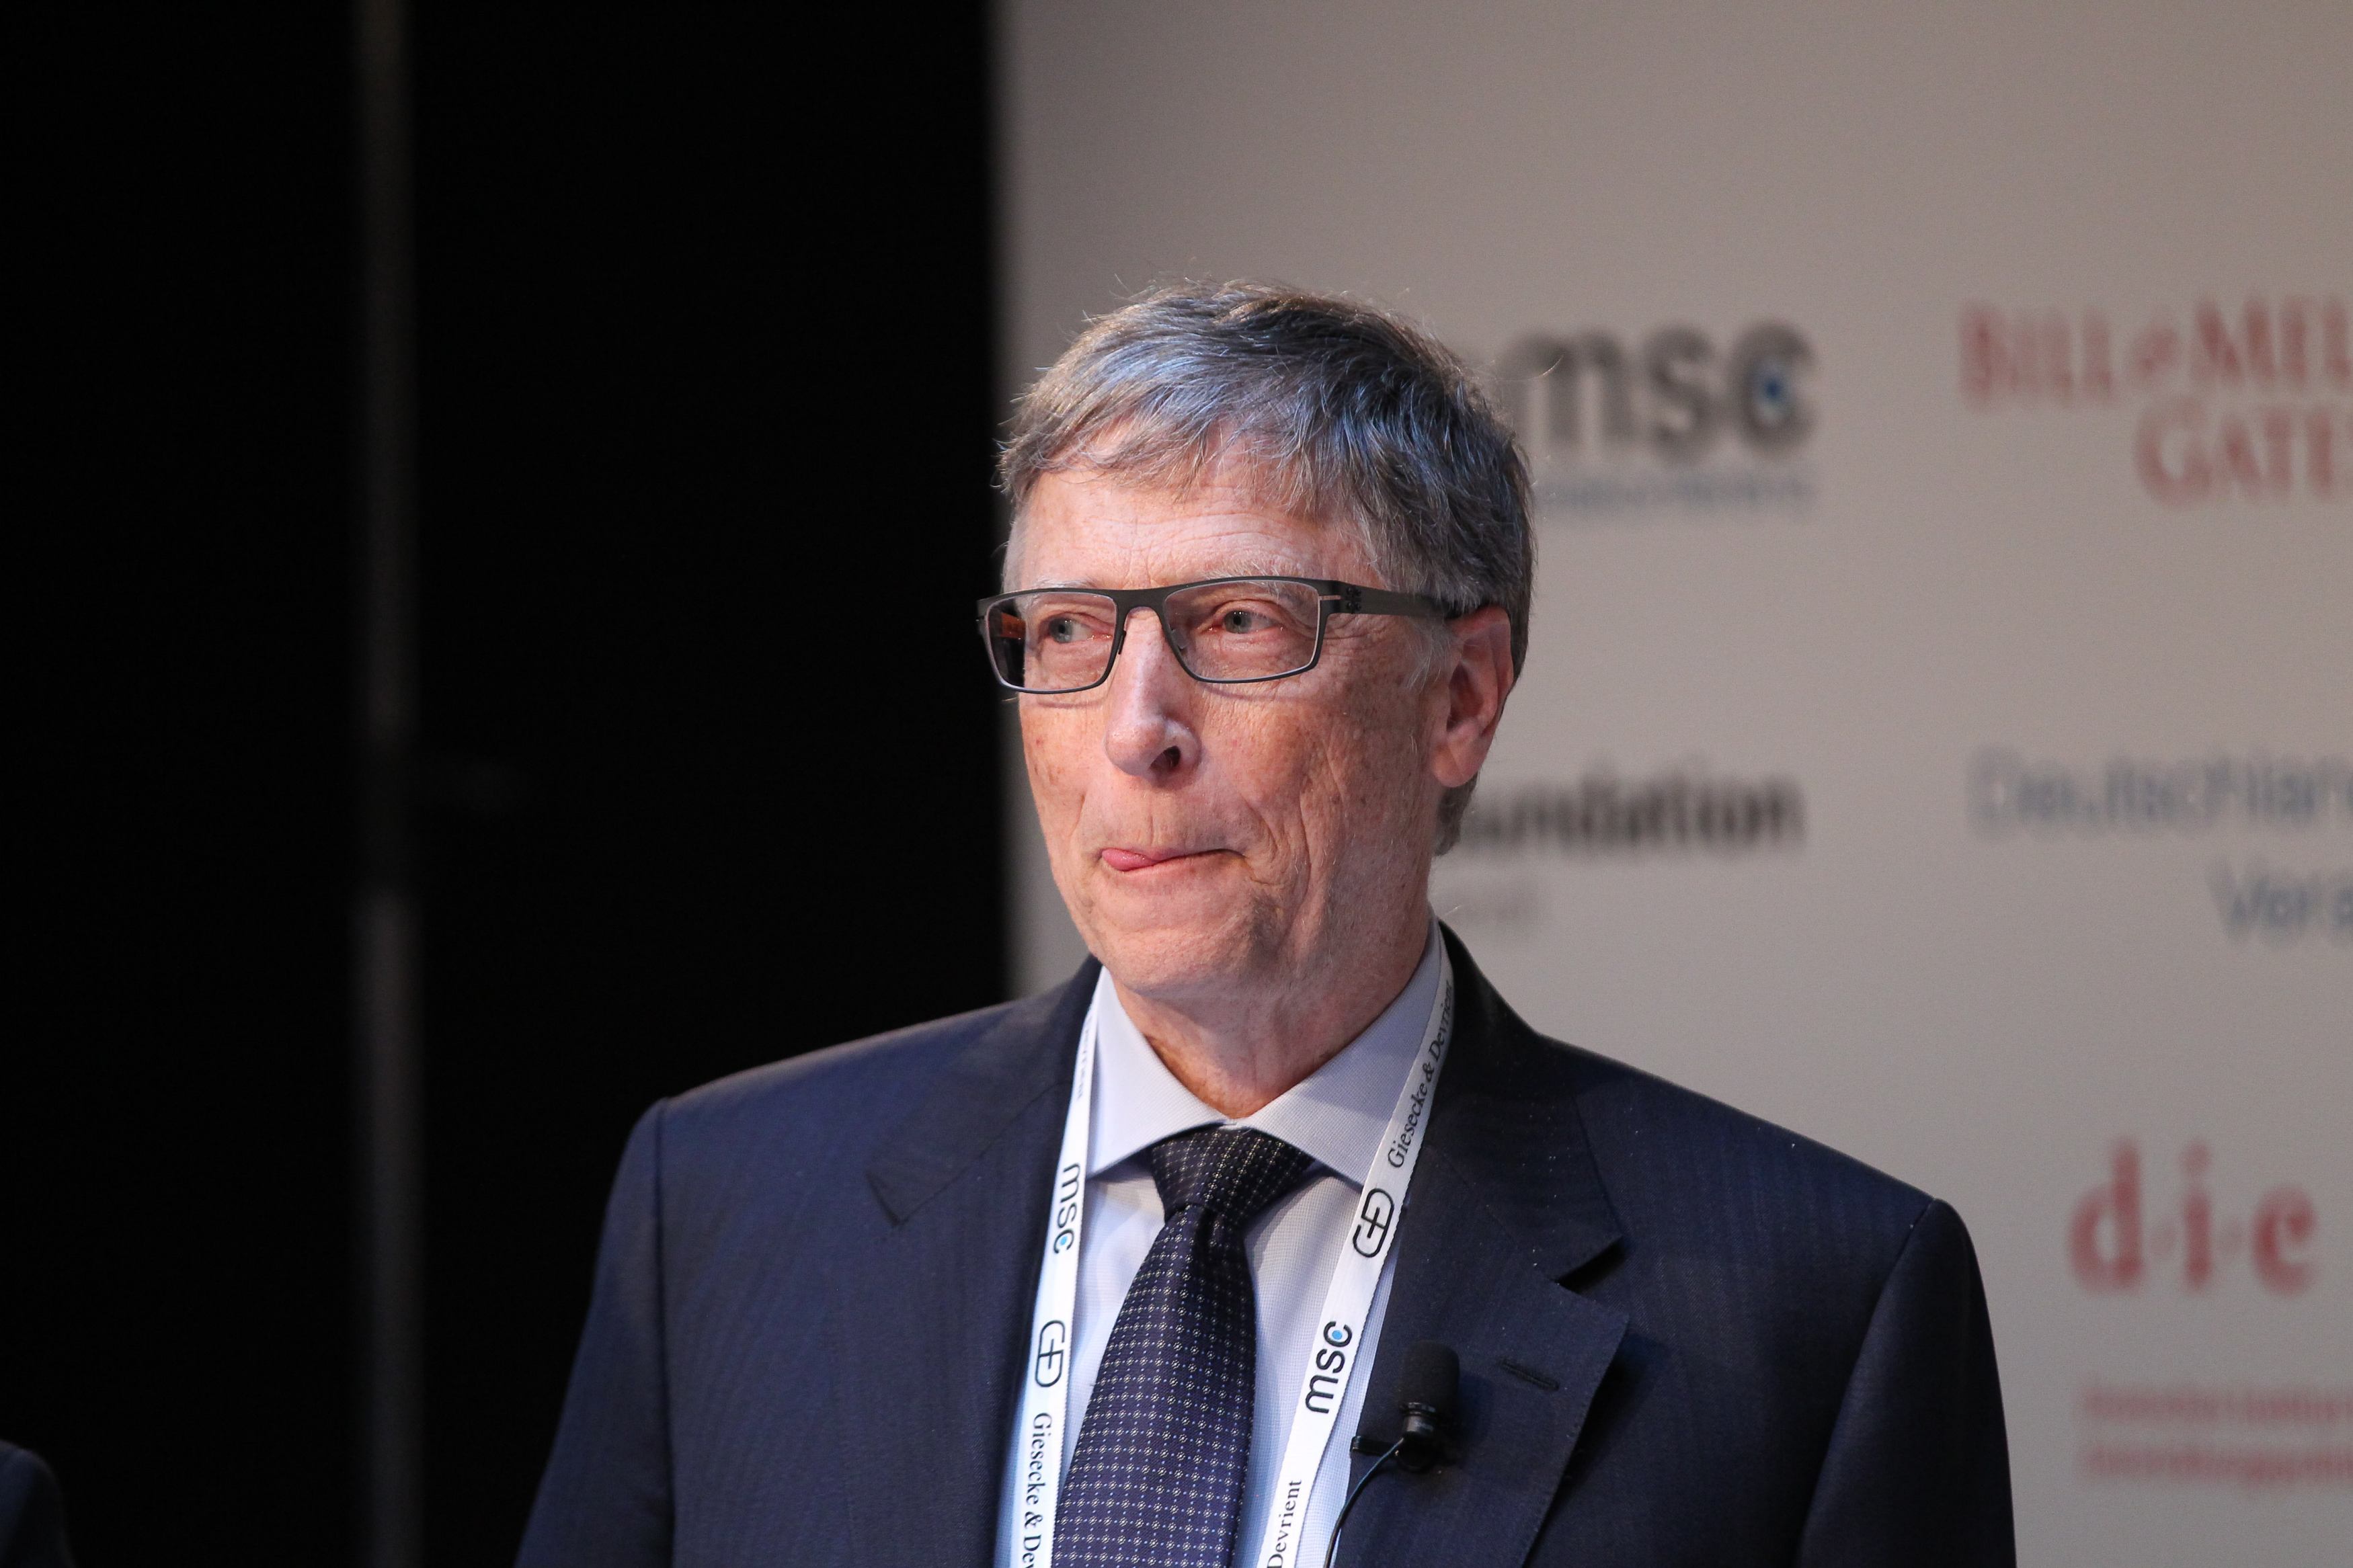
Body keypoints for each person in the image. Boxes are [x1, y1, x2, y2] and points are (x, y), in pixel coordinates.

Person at [518, 282, 2011, 1567]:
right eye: (1068, 631)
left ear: (1459, 698)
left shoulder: (1817, 1308)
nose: (1135, 731)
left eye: (1238, 623)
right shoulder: (723, 1206)